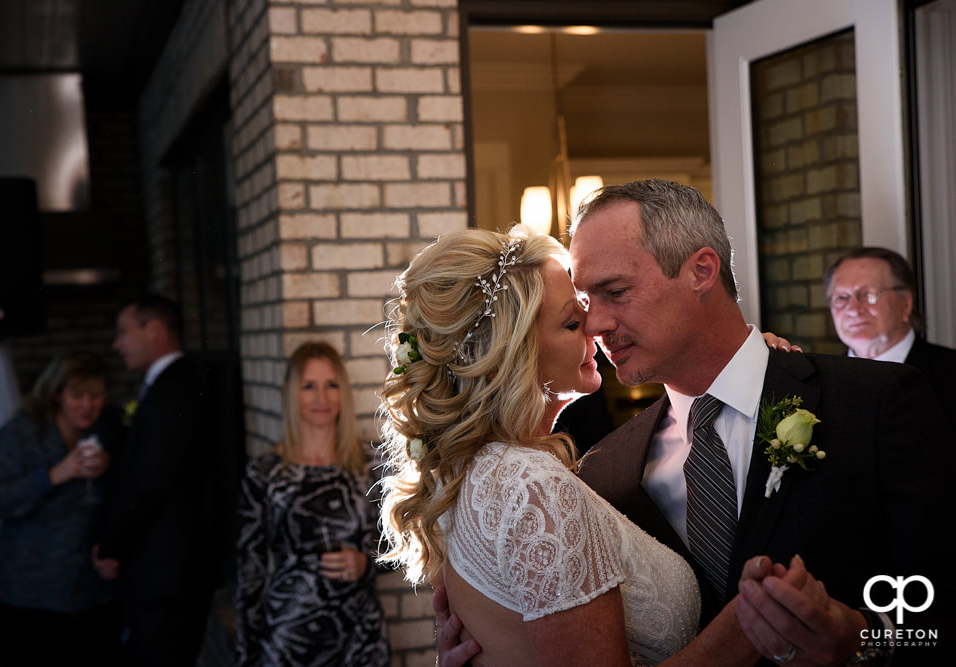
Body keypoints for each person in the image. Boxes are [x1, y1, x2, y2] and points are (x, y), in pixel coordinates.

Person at [379, 226, 827, 666]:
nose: (596, 327)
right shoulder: (531, 486)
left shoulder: (469, 474)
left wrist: (748, 366)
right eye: (572, 322)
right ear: (507, 357)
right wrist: (742, 629)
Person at [568, 180, 955, 666]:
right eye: (585, 303)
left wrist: (863, 637)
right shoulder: (607, 471)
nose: (595, 324)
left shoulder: (875, 402)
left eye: (615, 292)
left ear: (701, 271)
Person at [235, 342, 389, 666]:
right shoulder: (266, 474)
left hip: (360, 641)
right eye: (309, 386)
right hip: (289, 640)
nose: (322, 398)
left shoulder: (371, 464)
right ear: (289, 392)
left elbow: (404, 546)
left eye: (331, 385)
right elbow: (251, 573)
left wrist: (366, 562)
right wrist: (246, 654)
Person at [93, 294, 218, 666]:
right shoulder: (174, 382)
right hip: (174, 567)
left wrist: (112, 544)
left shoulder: (172, 388)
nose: (118, 344)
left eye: (123, 332)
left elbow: (152, 481)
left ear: (155, 330)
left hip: (167, 571)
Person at [0, 350, 122, 666]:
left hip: (92, 597)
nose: (87, 405)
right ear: (56, 394)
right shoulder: (22, 434)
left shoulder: (109, 431)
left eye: (95, 396)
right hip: (25, 596)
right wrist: (55, 475)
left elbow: (126, 498)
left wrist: (114, 468)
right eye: (77, 395)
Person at [824, 246, 956, 424]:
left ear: (906, 304)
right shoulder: (823, 381)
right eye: (841, 297)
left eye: (868, 294)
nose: (854, 309)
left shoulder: (950, 372)